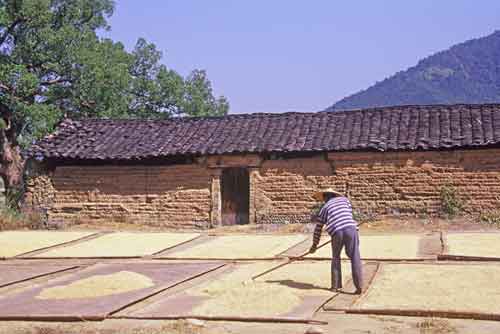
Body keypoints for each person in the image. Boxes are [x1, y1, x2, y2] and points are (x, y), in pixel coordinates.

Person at [309, 188, 363, 294]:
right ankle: (359, 286)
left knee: (336, 257)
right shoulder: (345, 200)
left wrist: (314, 245)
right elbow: (349, 215)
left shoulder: (324, 208)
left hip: (336, 232)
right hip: (351, 229)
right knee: (355, 256)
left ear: (325, 197)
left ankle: (335, 286)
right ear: (334, 195)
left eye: (323, 199)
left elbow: (318, 228)